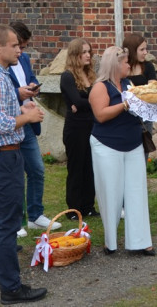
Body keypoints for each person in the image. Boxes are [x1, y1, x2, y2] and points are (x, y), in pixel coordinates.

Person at [0, 25, 47, 303]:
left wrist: (21, 108)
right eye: (15, 45)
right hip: (0, 156)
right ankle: (11, 288)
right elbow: (0, 123)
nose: (20, 50)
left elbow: (1, 112)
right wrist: (27, 118)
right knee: (7, 223)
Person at [89, 46, 155, 255]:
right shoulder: (100, 87)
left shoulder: (128, 83)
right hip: (107, 144)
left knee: (137, 191)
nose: (129, 65)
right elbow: (101, 114)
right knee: (111, 192)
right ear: (115, 64)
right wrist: (125, 105)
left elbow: (138, 106)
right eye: (126, 62)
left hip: (133, 142)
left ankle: (142, 241)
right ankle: (111, 242)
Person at [59, 38, 98, 219]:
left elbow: (85, 102)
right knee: (76, 168)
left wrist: (84, 104)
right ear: (75, 55)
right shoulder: (67, 76)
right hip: (76, 128)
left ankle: (88, 206)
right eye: (84, 52)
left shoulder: (90, 75)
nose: (88, 55)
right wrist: (89, 103)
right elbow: (76, 101)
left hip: (92, 125)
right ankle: (73, 208)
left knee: (90, 167)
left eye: (89, 51)